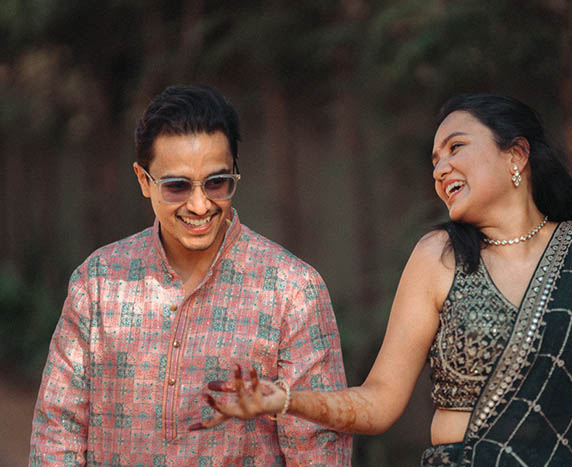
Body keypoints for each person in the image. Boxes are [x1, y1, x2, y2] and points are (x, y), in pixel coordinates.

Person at [190, 94, 572, 466]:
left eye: (456, 148)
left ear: (516, 154)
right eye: (434, 160)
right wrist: (284, 399)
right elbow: (379, 401)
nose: (440, 169)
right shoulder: (439, 256)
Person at [29, 84, 352, 466]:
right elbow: (57, 433)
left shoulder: (292, 291)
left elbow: (319, 451)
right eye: (177, 186)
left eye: (216, 182)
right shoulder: (98, 282)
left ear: (235, 173)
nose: (200, 205)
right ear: (143, 180)